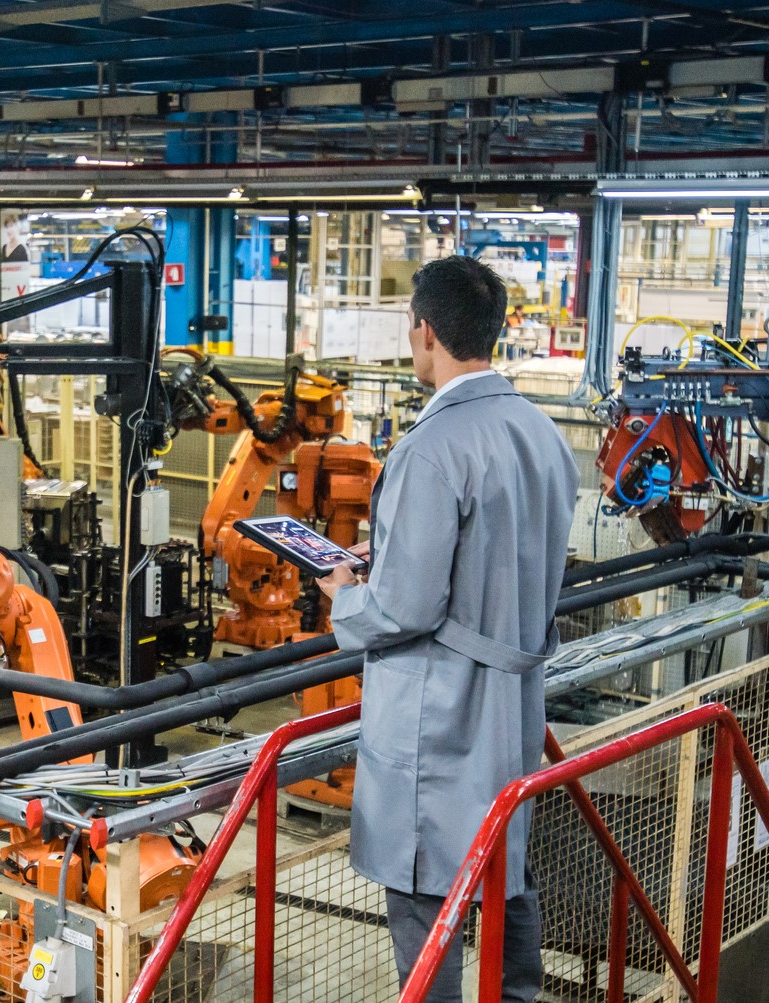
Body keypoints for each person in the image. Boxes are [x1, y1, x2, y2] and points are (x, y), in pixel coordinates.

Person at [315, 255, 577, 1003]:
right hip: (514, 703)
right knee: (506, 872)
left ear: (423, 331)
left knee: (429, 896)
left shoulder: (430, 448)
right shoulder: (540, 433)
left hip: (442, 717)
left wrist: (345, 594)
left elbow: (404, 608)